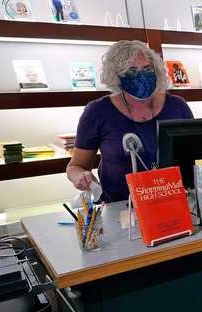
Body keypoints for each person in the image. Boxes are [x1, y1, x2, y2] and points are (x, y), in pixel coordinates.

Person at [67, 40, 194, 202]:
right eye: (132, 71)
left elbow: (195, 156)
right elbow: (75, 166)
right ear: (116, 76)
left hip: (173, 202)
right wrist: (80, 176)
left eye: (147, 69)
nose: (141, 76)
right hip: (120, 208)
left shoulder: (177, 106)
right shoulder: (98, 111)